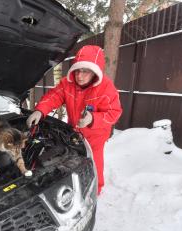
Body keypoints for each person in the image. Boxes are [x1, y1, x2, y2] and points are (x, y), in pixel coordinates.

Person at [26, 45, 122, 195]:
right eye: (78, 70)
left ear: (95, 72)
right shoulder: (67, 83)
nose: (80, 76)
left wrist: (93, 119)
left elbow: (114, 113)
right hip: (74, 132)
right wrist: (40, 110)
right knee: (73, 160)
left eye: (86, 71)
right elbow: (54, 96)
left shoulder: (106, 88)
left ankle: (95, 190)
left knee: (94, 163)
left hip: (95, 136)